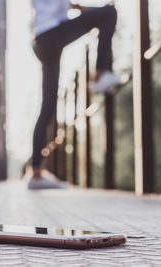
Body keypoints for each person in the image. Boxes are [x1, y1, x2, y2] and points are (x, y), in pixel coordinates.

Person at [28, 0, 119, 189]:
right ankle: (101, 73)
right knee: (110, 13)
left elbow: (69, 6)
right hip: (51, 34)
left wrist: (91, 10)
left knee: (48, 107)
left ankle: (36, 173)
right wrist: (100, 12)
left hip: (43, 39)